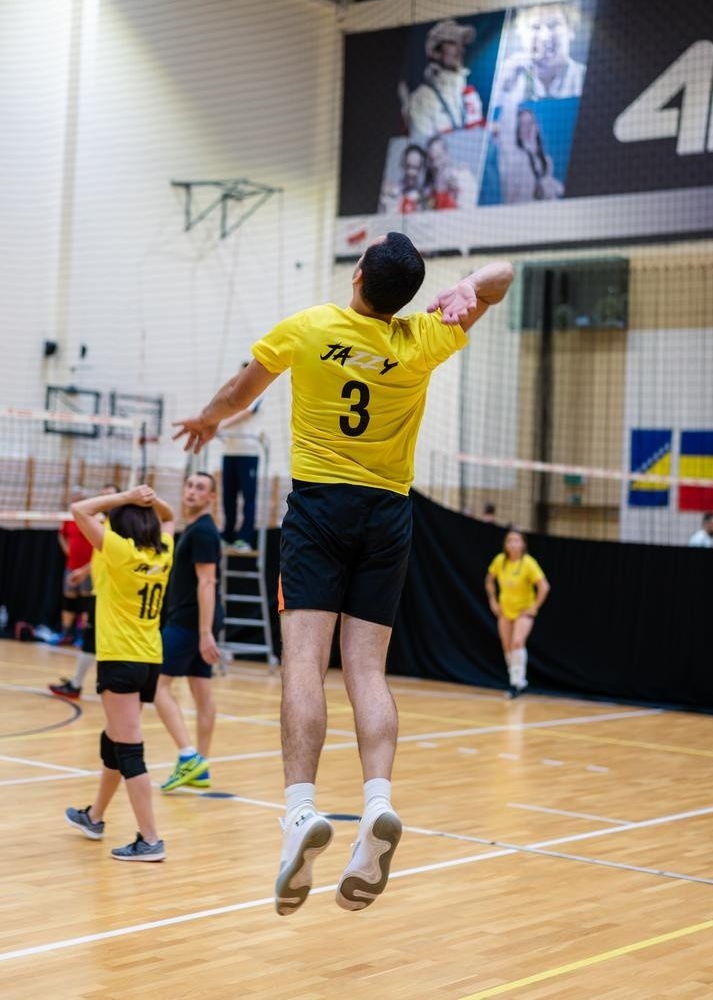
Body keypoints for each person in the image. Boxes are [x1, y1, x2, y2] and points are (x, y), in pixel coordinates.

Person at [173, 231, 514, 916]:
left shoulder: (308, 328)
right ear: (405, 296)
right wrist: (466, 288)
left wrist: (210, 420)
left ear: (357, 274)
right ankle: (378, 803)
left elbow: (244, 386)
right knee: (367, 671)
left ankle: (301, 813)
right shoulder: (424, 338)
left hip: (320, 508)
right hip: (388, 514)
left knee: (304, 664)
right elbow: (504, 273)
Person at [63, 485, 175, 861]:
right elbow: (171, 516)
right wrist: (150, 499)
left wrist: (127, 496)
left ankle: (150, 839)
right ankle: (94, 817)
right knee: (113, 740)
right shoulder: (162, 551)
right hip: (148, 659)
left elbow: (79, 509)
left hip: (121, 658)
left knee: (128, 749)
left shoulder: (119, 552)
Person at [155, 472, 223, 792]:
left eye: (200, 488)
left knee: (155, 685)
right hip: (195, 623)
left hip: (188, 623)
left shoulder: (204, 533)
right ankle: (202, 766)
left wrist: (204, 631)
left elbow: (208, 582)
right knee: (201, 690)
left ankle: (189, 756)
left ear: (211, 497)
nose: (192, 492)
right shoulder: (196, 529)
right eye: (190, 486)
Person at [48, 483, 120, 700]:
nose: (105, 500)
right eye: (103, 495)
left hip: (108, 593)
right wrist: (84, 570)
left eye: (110, 496)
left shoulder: (118, 525)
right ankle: (81, 683)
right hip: (99, 588)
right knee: (95, 638)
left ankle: (79, 684)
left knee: (95, 639)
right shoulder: (103, 523)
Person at [485, 528, 550, 697]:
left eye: (516, 540)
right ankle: (516, 679)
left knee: (517, 641)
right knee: (506, 645)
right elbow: (489, 581)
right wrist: (493, 600)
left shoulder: (528, 563)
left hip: (523, 611)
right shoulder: (500, 561)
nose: (512, 544)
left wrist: (534, 606)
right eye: (509, 541)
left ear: (523, 544)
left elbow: (544, 587)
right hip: (506, 610)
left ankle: (517, 682)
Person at [404, 20, 484, 143]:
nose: (460, 49)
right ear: (434, 52)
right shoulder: (421, 100)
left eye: (461, 43)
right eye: (452, 43)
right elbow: (422, 149)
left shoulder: (470, 94)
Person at [502, 3, 586, 100]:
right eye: (535, 27)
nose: (545, 36)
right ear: (521, 34)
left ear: (571, 31)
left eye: (553, 25)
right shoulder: (507, 75)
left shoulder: (585, 77)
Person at [219, 367, 263, 548]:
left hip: (248, 452)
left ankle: (245, 539)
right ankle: (227, 535)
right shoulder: (231, 397)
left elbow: (246, 413)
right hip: (230, 451)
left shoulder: (258, 394)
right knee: (228, 497)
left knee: (248, 498)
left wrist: (220, 425)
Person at [57, 493, 93, 645]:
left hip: (89, 567)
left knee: (86, 600)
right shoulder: (69, 518)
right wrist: (68, 550)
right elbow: (61, 535)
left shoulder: (92, 518)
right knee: (69, 599)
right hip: (71, 565)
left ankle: (82, 635)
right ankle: (65, 633)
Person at [424, 134, 478, 211]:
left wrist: (457, 191)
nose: (436, 164)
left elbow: (469, 209)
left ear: (447, 156)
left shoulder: (464, 177)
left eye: (439, 157)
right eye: (431, 159)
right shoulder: (427, 189)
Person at [378, 143, 427, 215]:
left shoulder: (425, 197)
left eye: (415, 167)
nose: (410, 172)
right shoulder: (390, 191)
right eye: (408, 166)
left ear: (421, 169)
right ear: (402, 164)